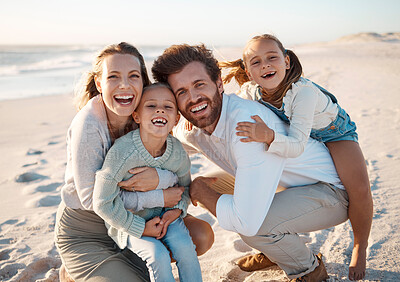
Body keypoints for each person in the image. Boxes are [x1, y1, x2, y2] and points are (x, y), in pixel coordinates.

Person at [151, 43, 367, 281]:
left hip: (331, 193)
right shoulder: (192, 126)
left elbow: (246, 221)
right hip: (284, 184)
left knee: (251, 227)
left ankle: (308, 269)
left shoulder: (247, 127)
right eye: (181, 92)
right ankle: (276, 250)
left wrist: (200, 191)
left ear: (220, 83)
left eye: (199, 84)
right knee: (216, 188)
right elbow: (165, 150)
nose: (193, 98)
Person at [55, 42, 213, 282]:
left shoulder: (146, 109)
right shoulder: (87, 125)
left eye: (133, 76)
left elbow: (175, 156)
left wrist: (163, 178)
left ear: (143, 82)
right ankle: (74, 271)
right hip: (89, 228)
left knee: (200, 236)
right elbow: (91, 200)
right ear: (99, 83)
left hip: (143, 216)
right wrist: (157, 195)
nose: (125, 85)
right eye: (114, 77)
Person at [219, 34, 372, 281]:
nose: (266, 65)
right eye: (256, 62)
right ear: (248, 72)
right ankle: (273, 249)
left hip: (333, 132)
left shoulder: (303, 93)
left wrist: (268, 136)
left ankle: (359, 247)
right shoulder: (251, 91)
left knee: (359, 189)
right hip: (297, 131)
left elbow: (297, 145)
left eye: (272, 58)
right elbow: (232, 109)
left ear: (287, 61)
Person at [93, 83, 202, 282]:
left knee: (186, 248)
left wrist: (176, 210)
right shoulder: (122, 153)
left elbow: (185, 187)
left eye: (168, 107)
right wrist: (139, 227)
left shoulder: (178, 152)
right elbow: (102, 202)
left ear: (176, 119)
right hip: (129, 222)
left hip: (166, 216)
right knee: (158, 255)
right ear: (137, 116)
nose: (160, 110)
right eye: (151, 106)